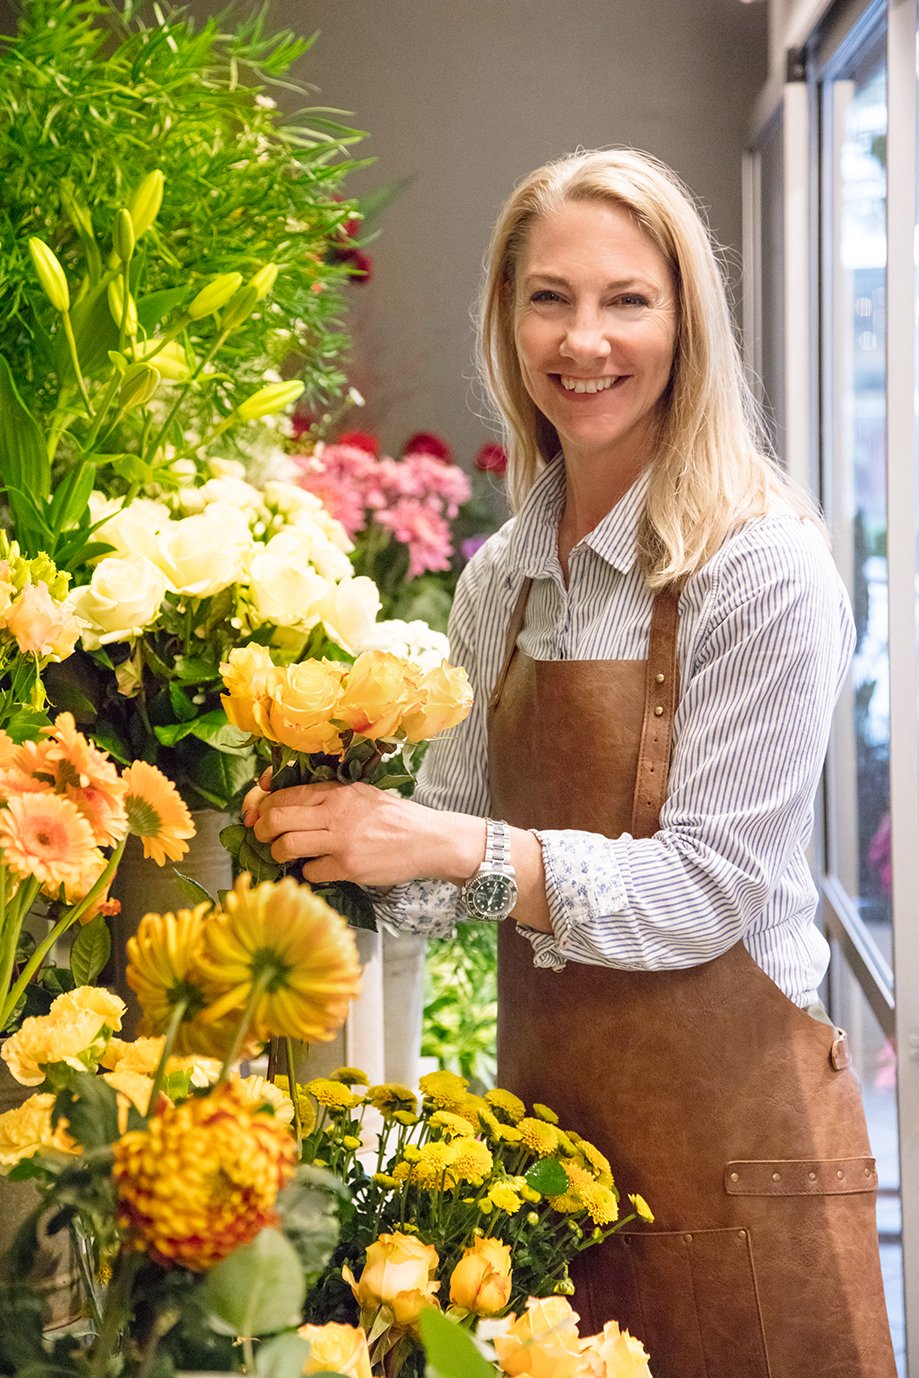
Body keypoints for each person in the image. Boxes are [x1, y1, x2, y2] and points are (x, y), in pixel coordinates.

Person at [244, 149, 896, 1376]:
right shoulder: (505, 577)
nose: (582, 339)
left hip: (740, 1163)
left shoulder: (761, 564)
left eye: (626, 300)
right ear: (506, 317)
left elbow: (705, 889)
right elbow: (438, 879)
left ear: (684, 322)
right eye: (548, 297)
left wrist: (444, 843)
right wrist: (316, 804)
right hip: (552, 1165)